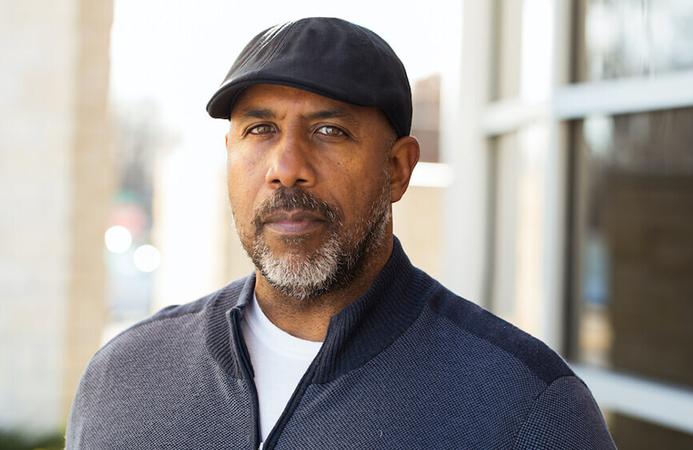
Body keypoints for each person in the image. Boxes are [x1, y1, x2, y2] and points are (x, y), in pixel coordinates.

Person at [66, 17, 616, 449]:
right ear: (230, 154)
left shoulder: (525, 407)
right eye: (260, 129)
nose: (287, 166)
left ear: (398, 169)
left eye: (329, 130)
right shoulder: (124, 376)